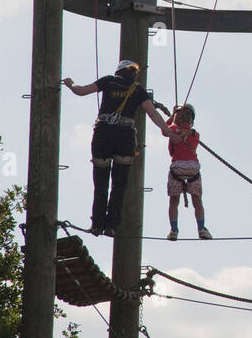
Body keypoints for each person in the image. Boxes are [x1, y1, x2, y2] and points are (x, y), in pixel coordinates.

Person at [62, 60, 172, 236]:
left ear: (118, 72)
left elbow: (80, 91)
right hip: (125, 136)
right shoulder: (138, 89)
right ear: (134, 74)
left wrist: (70, 83)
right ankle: (111, 225)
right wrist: (167, 132)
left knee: (100, 184)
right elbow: (153, 113)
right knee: (119, 185)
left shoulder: (109, 81)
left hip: (104, 133)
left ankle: (97, 224)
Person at [164, 103, 211, 240]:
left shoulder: (172, 130)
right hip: (192, 168)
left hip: (177, 167)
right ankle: (201, 228)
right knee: (197, 201)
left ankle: (174, 230)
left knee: (174, 202)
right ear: (191, 120)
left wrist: (172, 116)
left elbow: (163, 130)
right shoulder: (195, 135)